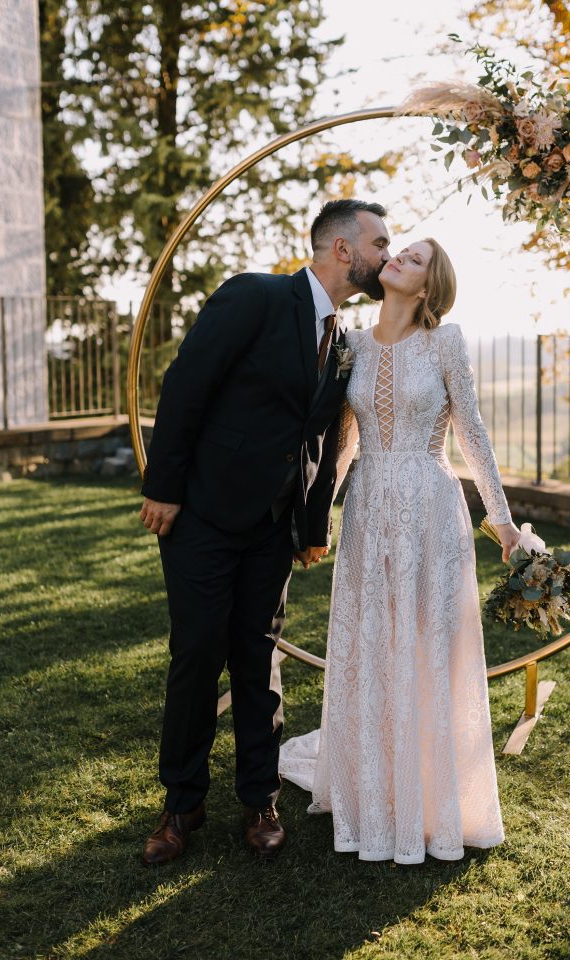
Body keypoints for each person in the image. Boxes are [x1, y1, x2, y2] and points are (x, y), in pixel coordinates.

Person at [138, 199, 391, 864]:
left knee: (259, 660)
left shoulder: (342, 342)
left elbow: (323, 440)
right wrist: (163, 486)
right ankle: (181, 805)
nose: (386, 257)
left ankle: (260, 801)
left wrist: (312, 524)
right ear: (342, 248)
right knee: (197, 655)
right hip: (203, 515)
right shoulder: (254, 296)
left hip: (274, 529)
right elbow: (186, 385)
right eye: (379, 243)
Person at [279, 237, 522, 863]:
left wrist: (502, 521)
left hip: (431, 508)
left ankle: (432, 797)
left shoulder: (445, 342)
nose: (397, 259)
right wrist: (313, 521)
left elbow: (472, 432)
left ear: (429, 287)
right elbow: (342, 444)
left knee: (427, 646)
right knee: (372, 644)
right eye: (400, 252)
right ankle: (374, 788)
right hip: (368, 508)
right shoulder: (352, 345)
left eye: (414, 260)